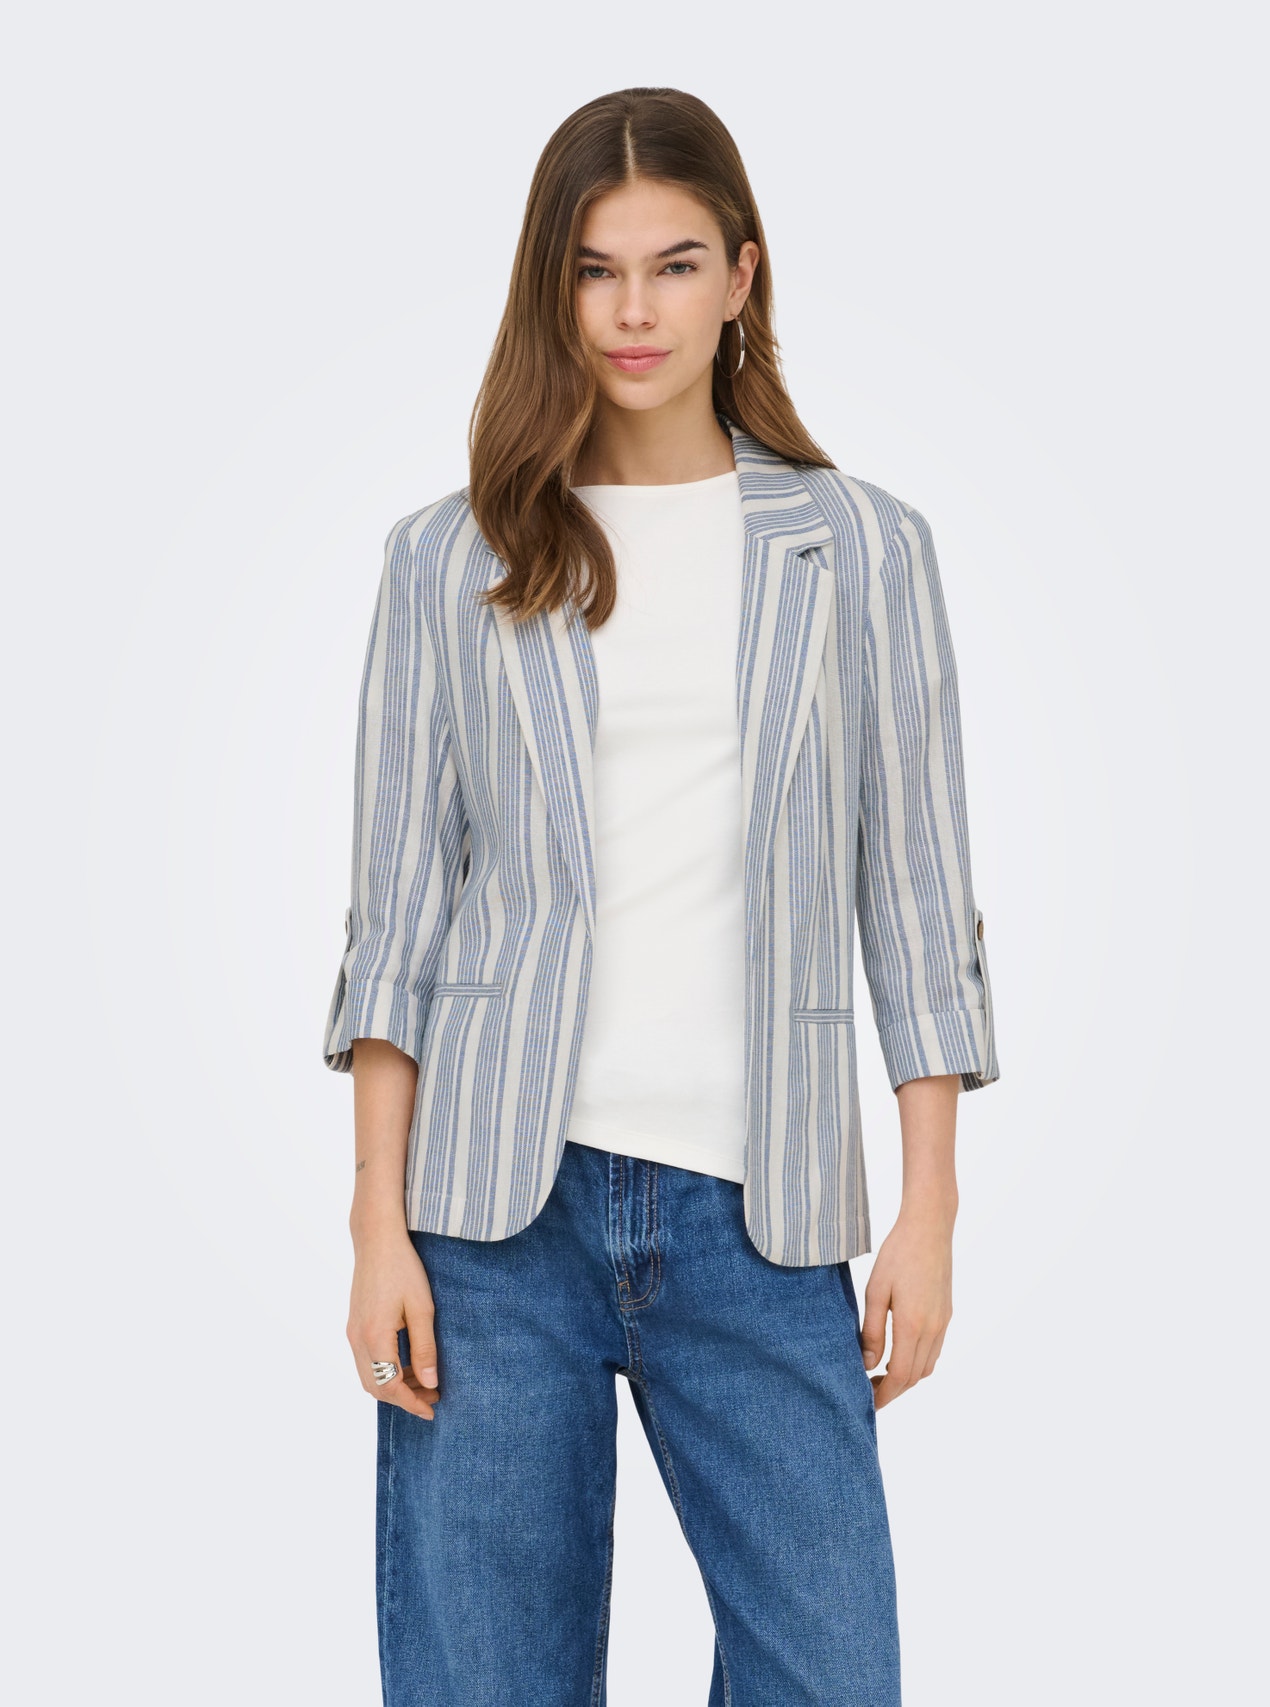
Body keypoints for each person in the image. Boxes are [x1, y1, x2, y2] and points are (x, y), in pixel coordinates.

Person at [322, 85, 998, 1707]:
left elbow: (917, 896)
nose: (635, 311)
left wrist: (930, 1209)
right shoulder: (451, 560)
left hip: (764, 1215)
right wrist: (374, 1224)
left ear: (742, 277)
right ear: (549, 289)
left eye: (675, 265)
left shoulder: (862, 550)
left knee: (831, 1676)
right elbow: (395, 922)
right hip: (494, 1222)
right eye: (595, 269)